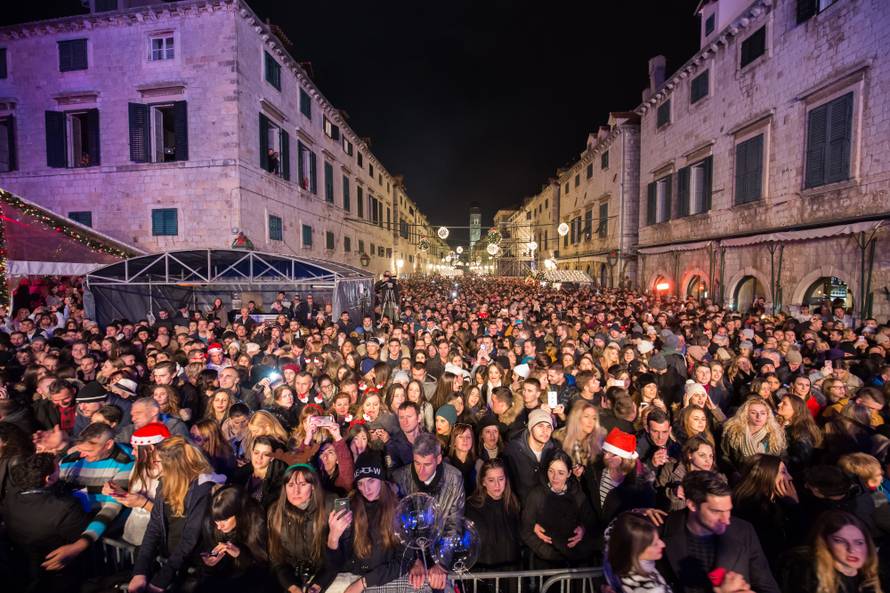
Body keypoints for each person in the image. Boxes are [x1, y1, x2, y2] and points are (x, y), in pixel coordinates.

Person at [655, 470, 780, 593]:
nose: (727, 520)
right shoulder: (660, 532)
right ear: (692, 505)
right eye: (716, 511)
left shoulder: (744, 530)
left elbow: (767, 587)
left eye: (728, 510)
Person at [129, 436, 225, 593]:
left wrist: (162, 579)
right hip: (171, 558)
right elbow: (154, 527)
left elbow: (190, 538)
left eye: (158, 461)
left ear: (174, 465)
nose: (153, 464)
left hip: (192, 566)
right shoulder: (165, 482)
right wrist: (140, 571)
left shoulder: (203, 488)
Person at [326, 451, 413, 592]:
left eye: (371, 481)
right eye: (360, 483)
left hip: (382, 581)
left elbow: (404, 560)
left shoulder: (399, 508)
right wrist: (332, 539)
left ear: (382, 479)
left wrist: (363, 583)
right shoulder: (350, 506)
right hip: (349, 579)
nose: (365, 489)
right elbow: (335, 565)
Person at [2, 453, 88, 593]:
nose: (60, 469)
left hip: (20, 569)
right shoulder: (64, 508)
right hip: (56, 574)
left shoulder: (12, 497)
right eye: (57, 468)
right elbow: (84, 536)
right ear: (49, 478)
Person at [267, 464, 337, 593]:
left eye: (303, 484)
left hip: (326, 576)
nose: (296, 491)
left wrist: (317, 585)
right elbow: (277, 560)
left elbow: (340, 557)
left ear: (313, 486)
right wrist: (293, 587)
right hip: (293, 579)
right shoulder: (275, 512)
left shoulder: (330, 505)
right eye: (291, 485)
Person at [520, 448, 595, 567]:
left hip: (575, 563)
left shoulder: (578, 495)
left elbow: (592, 524)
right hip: (545, 564)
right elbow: (526, 530)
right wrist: (548, 553)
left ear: (569, 473)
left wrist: (584, 530)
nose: (555, 477)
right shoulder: (536, 495)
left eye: (561, 473)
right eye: (551, 471)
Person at [780, 510, 881, 593]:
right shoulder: (806, 573)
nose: (851, 549)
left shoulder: (870, 576)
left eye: (859, 542)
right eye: (840, 541)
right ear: (825, 542)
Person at [198, 486, 270, 593]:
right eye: (216, 521)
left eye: (225, 520)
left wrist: (239, 554)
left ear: (239, 513)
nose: (219, 526)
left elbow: (264, 569)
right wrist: (209, 564)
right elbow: (209, 572)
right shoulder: (210, 523)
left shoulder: (258, 523)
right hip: (224, 581)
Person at [465, 458, 522, 574]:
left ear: (506, 479)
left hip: (511, 572)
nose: (497, 485)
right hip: (483, 572)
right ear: (483, 482)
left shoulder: (513, 503)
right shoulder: (472, 507)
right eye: (491, 480)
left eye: (501, 479)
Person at [605, 511, 673, 593]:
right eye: (655, 544)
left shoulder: (613, 545)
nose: (663, 544)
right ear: (637, 549)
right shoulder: (652, 590)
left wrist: (640, 511)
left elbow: (616, 523)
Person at [504, 408, 557, 504]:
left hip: (548, 506)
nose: (545, 430)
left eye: (549, 426)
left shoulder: (554, 449)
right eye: (540, 426)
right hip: (522, 507)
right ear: (531, 428)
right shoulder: (513, 451)